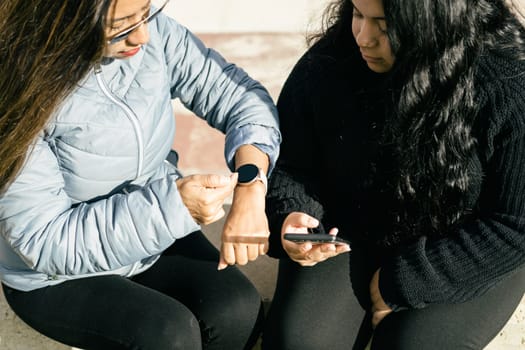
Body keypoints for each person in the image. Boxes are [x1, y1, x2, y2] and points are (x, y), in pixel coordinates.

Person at [0, 0, 280, 349]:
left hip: (152, 237)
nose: (143, 36)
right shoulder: (13, 86)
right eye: (123, 24)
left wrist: (251, 184)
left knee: (236, 308)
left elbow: (241, 98)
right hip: (56, 274)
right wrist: (176, 209)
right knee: (167, 334)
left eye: (146, 13)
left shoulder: (155, 33)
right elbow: (43, 239)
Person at [262, 0, 525, 349]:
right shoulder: (329, 63)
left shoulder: (508, 81)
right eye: (357, 14)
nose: (363, 38)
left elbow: (514, 223)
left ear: (435, 23)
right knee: (298, 342)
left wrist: (403, 281)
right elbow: (290, 162)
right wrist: (293, 211)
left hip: (468, 242)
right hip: (353, 229)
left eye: (384, 25)